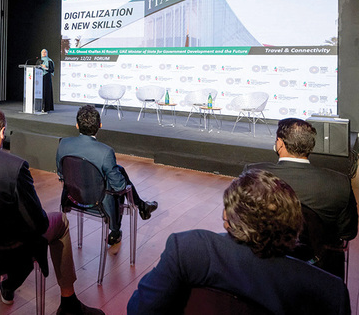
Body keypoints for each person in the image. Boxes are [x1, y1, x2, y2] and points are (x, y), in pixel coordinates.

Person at [0, 106, 103, 315]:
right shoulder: (13, 166)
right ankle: (68, 303)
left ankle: (10, 285)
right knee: (60, 222)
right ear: (2, 132)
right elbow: (38, 223)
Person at [127, 169, 350, 314]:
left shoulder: (187, 249)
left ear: (228, 219)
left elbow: (139, 309)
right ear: (295, 224)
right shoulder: (331, 292)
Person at [245, 117, 357, 277]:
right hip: (318, 269)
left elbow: (242, 219)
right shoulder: (339, 183)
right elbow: (348, 233)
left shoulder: (252, 174)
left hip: (261, 266)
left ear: (280, 144)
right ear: (310, 146)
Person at [56, 105, 157, 246]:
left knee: (118, 170)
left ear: (77, 125)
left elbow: (61, 173)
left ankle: (141, 206)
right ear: (100, 126)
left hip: (72, 198)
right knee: (119, 176)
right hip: (98, 204)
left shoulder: (63, 143)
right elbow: (119, 187)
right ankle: (118, 228)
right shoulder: (105, 152)